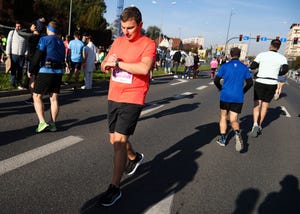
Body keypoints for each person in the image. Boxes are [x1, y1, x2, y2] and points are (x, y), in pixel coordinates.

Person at [99, 6, 156, 206]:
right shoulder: (118, 41)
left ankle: (114, 188)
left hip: (133, 96)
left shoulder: (148, 44)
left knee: (120, 141)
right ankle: (133, 157)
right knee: (114, 140)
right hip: (114, 95)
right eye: (123, 27)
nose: (126, 32)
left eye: (130, 28)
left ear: (139, 25)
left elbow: (144, 67)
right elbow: (104, 64)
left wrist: (119, 64)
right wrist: (106, 65)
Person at [214, 47, 253, 151]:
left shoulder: (225, 66)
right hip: (237, 97)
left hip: (225, 95)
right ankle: (237, 133)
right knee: (233, 119)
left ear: (230, 55)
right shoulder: (244, 68)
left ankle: (222, 139)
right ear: (239, 55)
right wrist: (243, 92)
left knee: (223, 117)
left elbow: (216, 80)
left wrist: (220, 88)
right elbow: (250, 83)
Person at [30, 20, 65, 133]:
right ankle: (53, 124)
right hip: (58, 72)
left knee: (36, 96)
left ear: (49, 29)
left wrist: (31, 70)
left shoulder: (44, 39)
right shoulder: (61, 43)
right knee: (54, 98)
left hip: (46, 71)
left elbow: (37, 56)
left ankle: (42, 122)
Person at [249, 39, 288, 137]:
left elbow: (253, 66)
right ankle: (260, 125)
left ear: (270, 45)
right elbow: (285, 70)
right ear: (279, 47)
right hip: (272, 82)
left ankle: (255, 125)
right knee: (265, 105)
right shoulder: (282, 58)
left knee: (257, 104)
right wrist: (276, 73)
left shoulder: (262, 54)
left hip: (261, 81)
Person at [17, 22, 41, 104]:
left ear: (34, 27)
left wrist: (29, 30)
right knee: (37, 79)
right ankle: (38, 96)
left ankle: (33, 97)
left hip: (31, 60)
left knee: (32, 78)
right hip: (40, 60)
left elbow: (19, 32)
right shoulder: (42, 37)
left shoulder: (31, 36)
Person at [6, 20, 28, 89]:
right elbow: (8, 43)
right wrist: (8, 54)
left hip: (22, 55)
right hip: (13, 55)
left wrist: (26, 53)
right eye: (17, 26)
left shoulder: (24, 33)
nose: (18, 27)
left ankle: (19, 83)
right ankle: (12, 84)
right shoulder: (12, 33)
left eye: (19, 26)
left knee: (20, 70)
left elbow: (26, 44)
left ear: (21, 27)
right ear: (15, 26)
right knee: (13, 70)